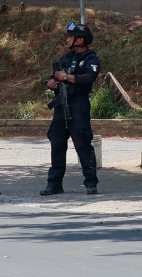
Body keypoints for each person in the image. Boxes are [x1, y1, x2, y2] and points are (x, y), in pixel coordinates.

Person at [42, 21, 101, 196]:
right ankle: (54, 183)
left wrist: (66, 77)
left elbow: (89, 77)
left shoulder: (91, 59)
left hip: (78, 105)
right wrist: (52, 82)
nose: (67, 39)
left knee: (83, 143)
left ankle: (91, 182)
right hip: (61, 104)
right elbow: (54, 76)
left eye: (70, 36)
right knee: (57, 143)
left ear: (80, 40)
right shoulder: (65, 59)